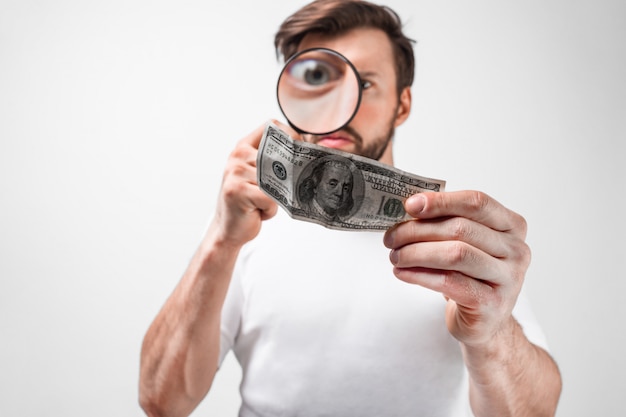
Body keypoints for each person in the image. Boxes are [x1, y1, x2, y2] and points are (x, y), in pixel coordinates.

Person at [139, 1, 562, 416]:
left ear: (402, 104)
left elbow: (531, 413)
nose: (338, 111)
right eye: (316, 77)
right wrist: (220, 238)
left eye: (363, 84)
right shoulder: (245, 229)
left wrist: (491, 333)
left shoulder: (456, 244)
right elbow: (162, 402)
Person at [298, 156, 356, 222]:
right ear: (315, 185)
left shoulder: (340, 222)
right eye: (332, 184)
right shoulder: (302, 211)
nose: (339, 193)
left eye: (345, 188)